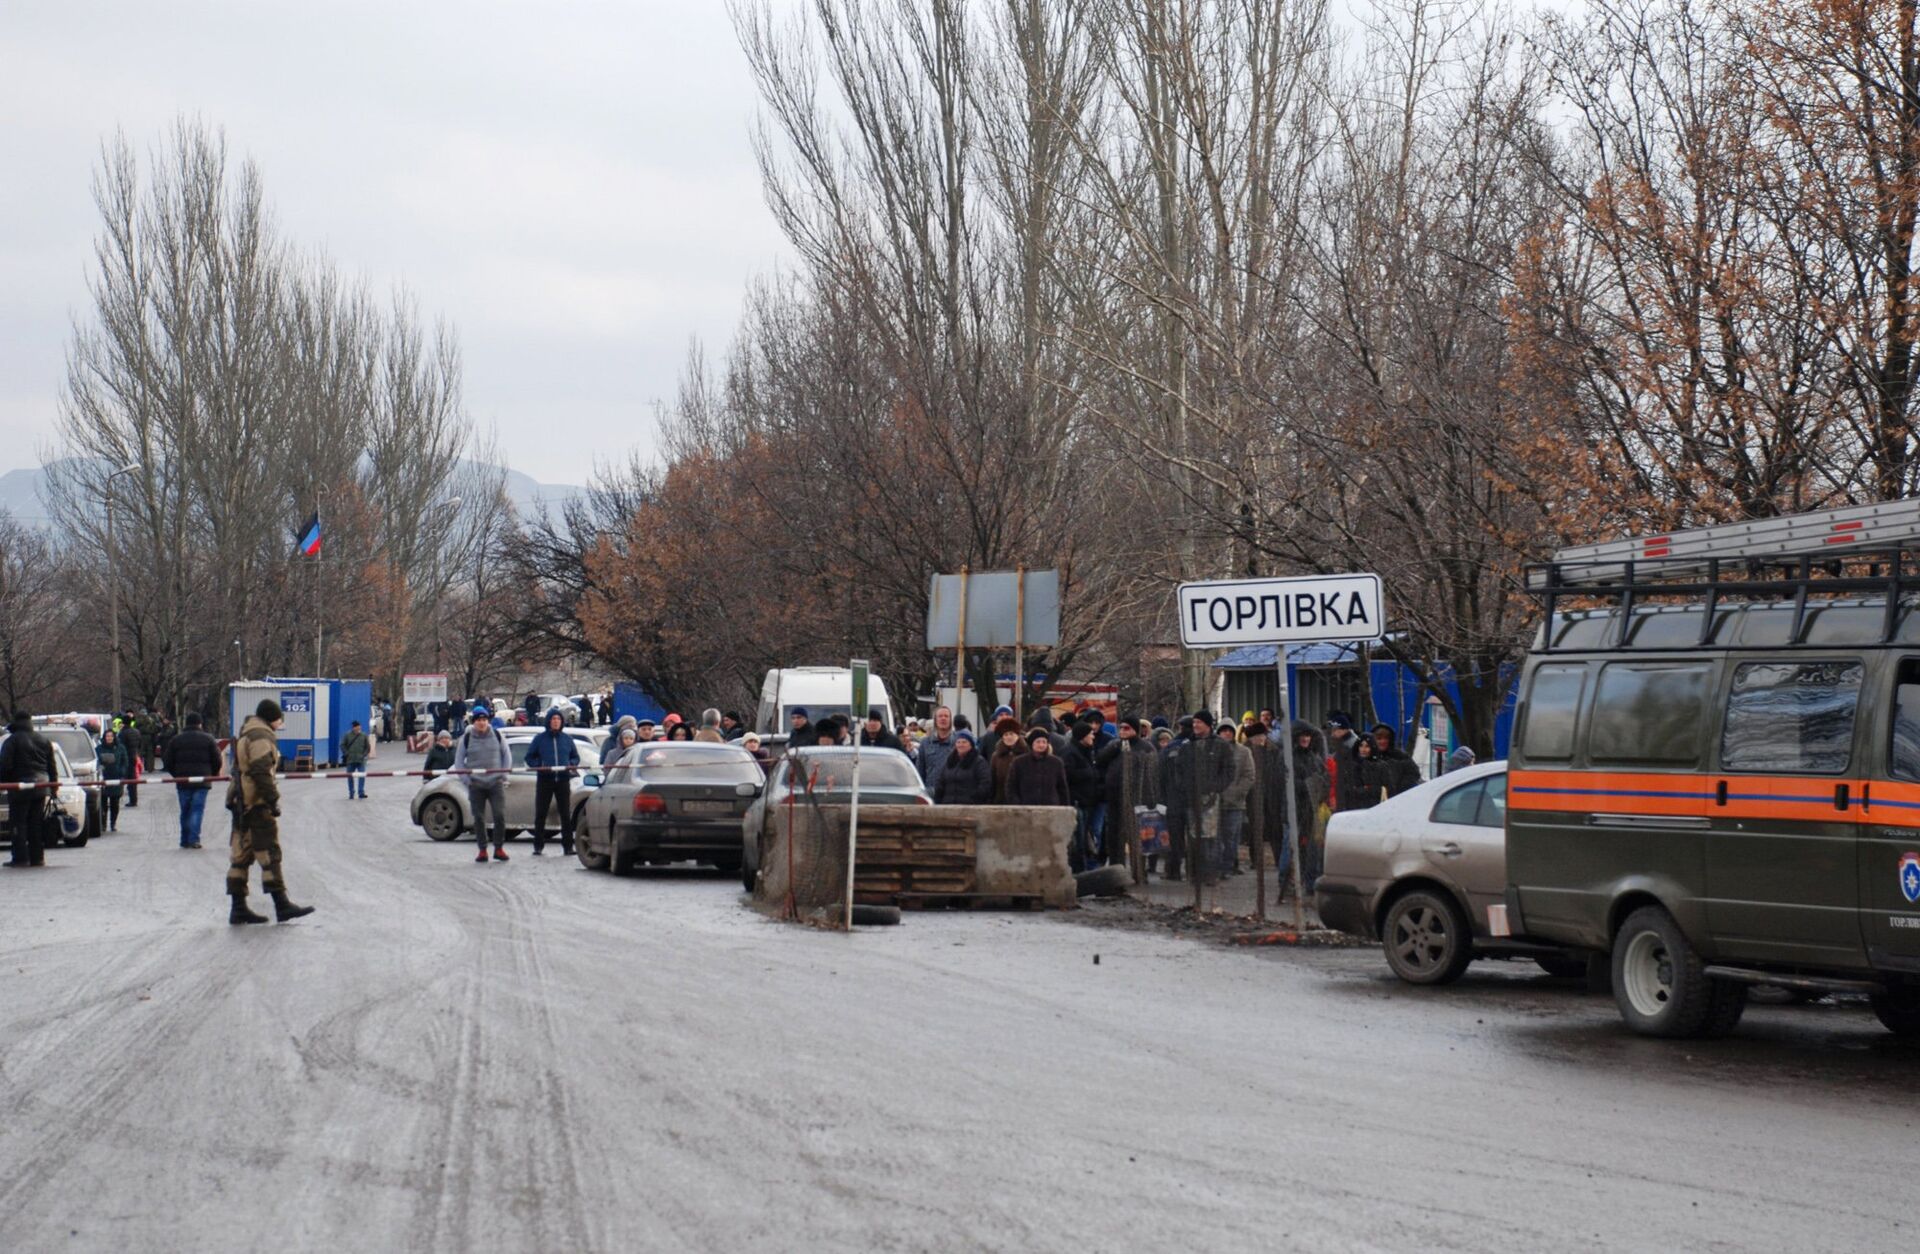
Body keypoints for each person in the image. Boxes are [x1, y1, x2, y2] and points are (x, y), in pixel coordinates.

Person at [225, 700, 314, 923]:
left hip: (240, 801)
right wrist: (273, 799)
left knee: (241, 855)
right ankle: (282, 904)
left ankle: (238, 908)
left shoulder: (246, 733)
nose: (280, 723)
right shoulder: (261, 736)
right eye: (279, 719)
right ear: (272, 718)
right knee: (269, 853)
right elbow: (261, 770)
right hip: (256, 802)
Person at [1098, 720, 1159, 877]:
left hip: (1137, 798)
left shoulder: (1146, 747)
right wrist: (1115, 748)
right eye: (1121, 728)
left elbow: (1151, 774)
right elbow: (1101, 759)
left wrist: (1149, 798)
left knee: (1136, 837)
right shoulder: (1116, 745)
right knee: (1115, 836)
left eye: (1127, 728)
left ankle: (1139, 872)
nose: (1123, 731)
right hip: (1115, 797)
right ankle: (1116, 872)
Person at [453, 706, 512, 863]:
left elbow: (506, 755)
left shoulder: (497, 735)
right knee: (478, 818)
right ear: (474, 722)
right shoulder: (466, 738)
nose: (482, 723)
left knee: (499, 815)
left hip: (495, 783)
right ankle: (482, 850)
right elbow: (459, 762)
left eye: (484, 720)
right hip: (476, 785)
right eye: (479, 720)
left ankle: (498, 848)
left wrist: (503, 775)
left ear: (488, 721)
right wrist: (467, 780)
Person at [525, 708, 581, 856]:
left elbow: (576, 757)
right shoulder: (540, 739)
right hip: (545, 780)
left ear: (562, 722)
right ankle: (538, 845)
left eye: (558, 719)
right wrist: (540, 765)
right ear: (549, 721)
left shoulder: (567, 739)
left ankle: (568, 846)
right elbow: (529, 757)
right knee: (541, 814)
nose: (556, 721)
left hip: (563, 780)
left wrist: (571, 763)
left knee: (565, 814)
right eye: (553, 719)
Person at [1, 711, 54, 868]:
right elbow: (52, 766)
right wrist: (53, 788)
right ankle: (37, 857)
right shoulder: (43, 740)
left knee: (18, 823)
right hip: (41, 787)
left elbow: (5, 765)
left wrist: (4, 783)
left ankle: (20, 857)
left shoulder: (12, 741)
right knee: (35, 823)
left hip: (19, 787)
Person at [163, 712, 220, 849]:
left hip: (183, 781)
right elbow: (217, 760)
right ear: (200, 724)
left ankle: (184, 840)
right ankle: (194, 839)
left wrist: (176, 775)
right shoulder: (208, 739)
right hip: (203, 780)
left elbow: (168, 760)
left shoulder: (176, 740)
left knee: (185, 810)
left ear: (186, 724)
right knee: (197, 810)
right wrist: (211, 774)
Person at [1216, 721, 1255, 878]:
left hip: (1235, 804)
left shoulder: (1243, 752)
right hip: (1214, 802)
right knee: (1215, 838)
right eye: (1223, 730)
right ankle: (1217, 868)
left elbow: (1249, 776)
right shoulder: (1212, 751)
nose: (1226, 733)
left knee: (1231, 838)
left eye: (1229, 730)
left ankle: (1227, 867)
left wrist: (1237, 793)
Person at [1064, 721, 1105, 869]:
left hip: (1088, 802)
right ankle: (1078, 871)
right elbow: (1068, 776)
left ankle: (1084, 867)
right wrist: (1088, 774)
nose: (1093, 736)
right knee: (1078, 841)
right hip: (1077, 802)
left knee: (1087, 838)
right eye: (1090, 734)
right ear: (1083, 736)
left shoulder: (1088, 751)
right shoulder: (1070, 753)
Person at [932, 730, 992, 804]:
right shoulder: (950, 761)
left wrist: (974, 799)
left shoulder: (979, 762)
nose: (961, 745)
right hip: (948, 805)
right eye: (958, 742)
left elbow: (985, 784)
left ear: (971, 745)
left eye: (964, 742)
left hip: (970, 807)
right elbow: (940, 781)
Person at [1337, 735, 1390, 812]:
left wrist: (1369, 789)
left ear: (1372, 747)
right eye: (1361, 746)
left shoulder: (1381, 766)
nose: (1363, 749)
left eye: (1367, 746)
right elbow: (1348, 789)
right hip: (1355, 809)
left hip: (1376, 808)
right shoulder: (1350, 766)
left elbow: (1388, 787)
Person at [1370, 723, 1422, 797]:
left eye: (1386, 738)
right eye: (1379, 739)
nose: (1383, 741)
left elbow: (1414, 774)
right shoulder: (1367, 756)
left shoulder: (1400, 756)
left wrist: (1398, 789)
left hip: (1397, 798)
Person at [917, 706, 958, 788]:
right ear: (935, 720)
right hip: (931, 792)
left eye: (946, 716)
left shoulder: (959, 742)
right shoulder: (925, 743)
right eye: (940, 716)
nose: (943, 718)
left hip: (953, 793)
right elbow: (920, 771)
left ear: (951, 720)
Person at [988, 717, 1027, 803]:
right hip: (1001, 801)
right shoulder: (996, 756)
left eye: (1011, 734)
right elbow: (992, 781)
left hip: (1023, 802)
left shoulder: (1026, 753)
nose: (1009, 737)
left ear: (1017, 735)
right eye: (1006, 735)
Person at [341, 719, 371, 800]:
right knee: (350, 777)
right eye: (357, 728)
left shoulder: (363, 736)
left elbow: (368, 747)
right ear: (353, 728)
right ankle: (351, 793)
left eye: (359, 728)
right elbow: (342, 745)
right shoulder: (347, 735)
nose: (358, 730)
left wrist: (364, 755)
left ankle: (361, 792)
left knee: (362, 776)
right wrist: (346, 753)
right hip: (350, 760)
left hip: (360, 760)